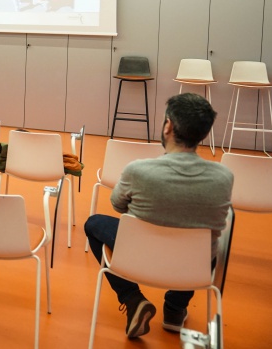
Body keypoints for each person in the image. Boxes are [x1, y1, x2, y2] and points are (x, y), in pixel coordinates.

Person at [84, 93, 233, 340]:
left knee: (94, 224)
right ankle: (175, 309)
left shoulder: (138, 170)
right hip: (192, 267)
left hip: (138, 258)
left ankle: (132, 299)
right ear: (203, 134)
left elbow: (117, 205)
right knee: (206, 242)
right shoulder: (224, 177)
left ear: (168, 126)